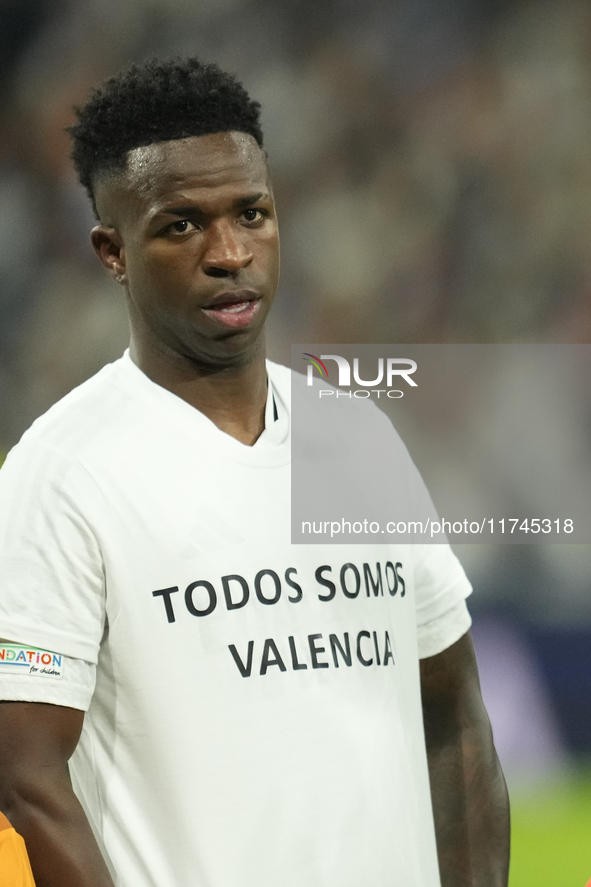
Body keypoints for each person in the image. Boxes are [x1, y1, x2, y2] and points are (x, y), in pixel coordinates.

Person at [0, 57, 509, 887]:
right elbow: (25, 777)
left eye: (252, 213)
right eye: (180, 226)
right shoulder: (61, 473)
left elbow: (451, 715)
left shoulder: (354, 439)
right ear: (111, 251)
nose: (230, 252)